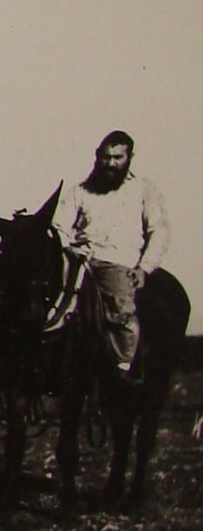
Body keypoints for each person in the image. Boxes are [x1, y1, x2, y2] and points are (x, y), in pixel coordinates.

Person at [53, 130, 170, 382]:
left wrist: (144, 267)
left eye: (118, 157)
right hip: (79, 260)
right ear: (97, 157)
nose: (111, 163)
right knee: (51, 302)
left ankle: (122, 367)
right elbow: (59, 226)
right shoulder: (79, 191)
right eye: (106, 157)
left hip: (116, 260)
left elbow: (158, 230)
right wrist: (68, 248)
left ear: (129, 158)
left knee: (119, 308)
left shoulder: (144, 189)